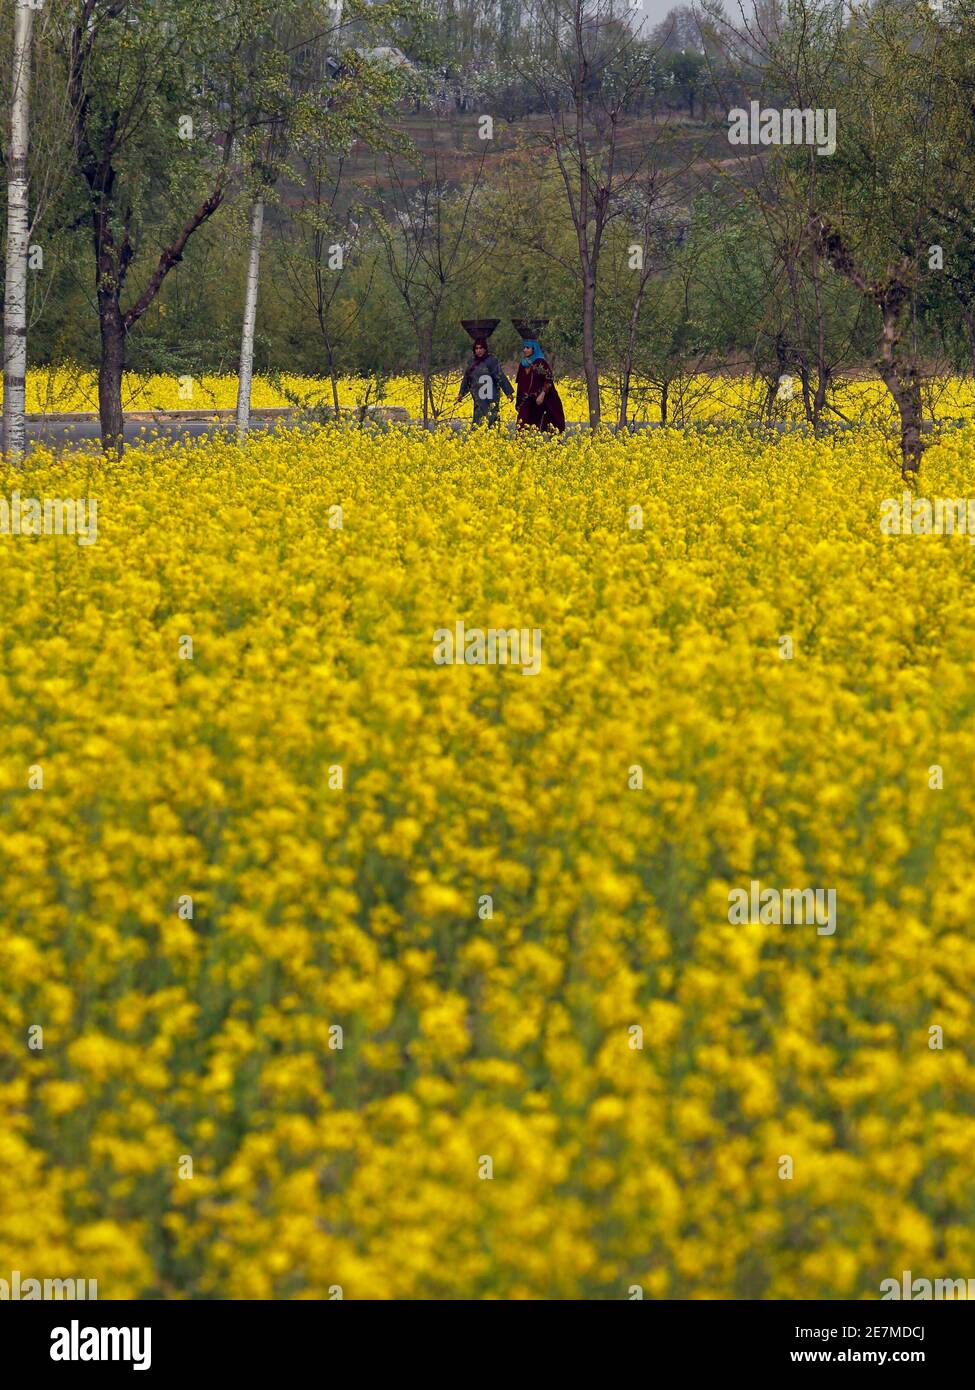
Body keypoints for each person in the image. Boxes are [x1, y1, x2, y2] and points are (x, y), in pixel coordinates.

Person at [456, 338, 513, 427]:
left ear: (485, 349)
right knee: (478, 420)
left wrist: (508, 392)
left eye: (481, 348)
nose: (478, 351)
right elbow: (466, 379)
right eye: (476, 348)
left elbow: (500, 376)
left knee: (492, 418)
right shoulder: (472, 362)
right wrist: (461, 393)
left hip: (491, 396)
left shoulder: (491, 361)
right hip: (478, 397)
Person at [515, 339, 565, 433]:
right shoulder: (523, 364)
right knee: (522, 425)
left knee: (550, 423)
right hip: (528, 400)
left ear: (534, 349)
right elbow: (520, 384)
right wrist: (519, 401)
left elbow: (548, 379)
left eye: (528, 348)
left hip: (542, 399)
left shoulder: (540, 363)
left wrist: (542, 394)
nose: (525, 350)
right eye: (524, 348)